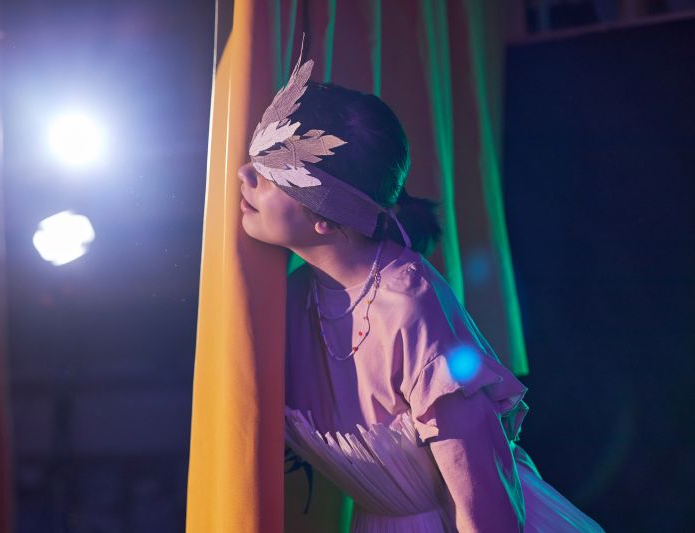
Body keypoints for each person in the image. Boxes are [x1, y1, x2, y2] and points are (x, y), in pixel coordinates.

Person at [237, 51, 605, 533]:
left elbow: (485, 505)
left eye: (269, 174)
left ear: (325, 217)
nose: (243, 175)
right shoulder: (291, 295)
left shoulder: (411, 307)